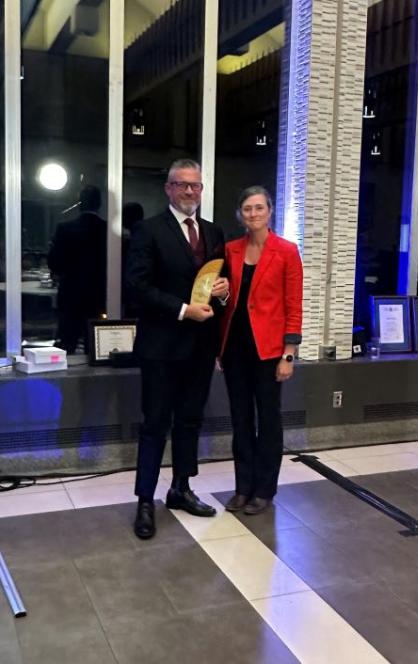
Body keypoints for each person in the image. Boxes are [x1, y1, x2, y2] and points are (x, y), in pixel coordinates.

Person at [126, 159, 230, 539]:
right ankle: (144, 501)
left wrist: (224, 291)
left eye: (196, 186)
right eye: (182, 185)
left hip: (201, 348)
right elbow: (137, 287)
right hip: (162, 346)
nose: (190, 192)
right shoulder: (148, 230)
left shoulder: (213, 232)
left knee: (190, 420)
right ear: (168, 188)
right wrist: (184, 310)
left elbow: (223, 282)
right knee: (155, 424)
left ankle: (181, 489)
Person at [220, 186, 303, 515]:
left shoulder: (286, 250)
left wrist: (289, 354)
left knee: (269, 421)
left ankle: (264, 490)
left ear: (270, 211)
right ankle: (243, 487)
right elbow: (226, 300)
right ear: (240, 214)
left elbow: (293, 306)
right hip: (235, 348)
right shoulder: (230, 250)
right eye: (247, 209)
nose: (253, 214)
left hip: (269, 351)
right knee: (240, 420)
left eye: (259, 208)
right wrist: (221, 295)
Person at [47, 185, 106, 353]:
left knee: (67, 340)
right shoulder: (107, 230)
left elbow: (54, 262)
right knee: (94, 342)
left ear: (80, 203)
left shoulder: (64, 228)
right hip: (98, 293)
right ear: (99, 204)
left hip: (70, 292)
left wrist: (62, 274)